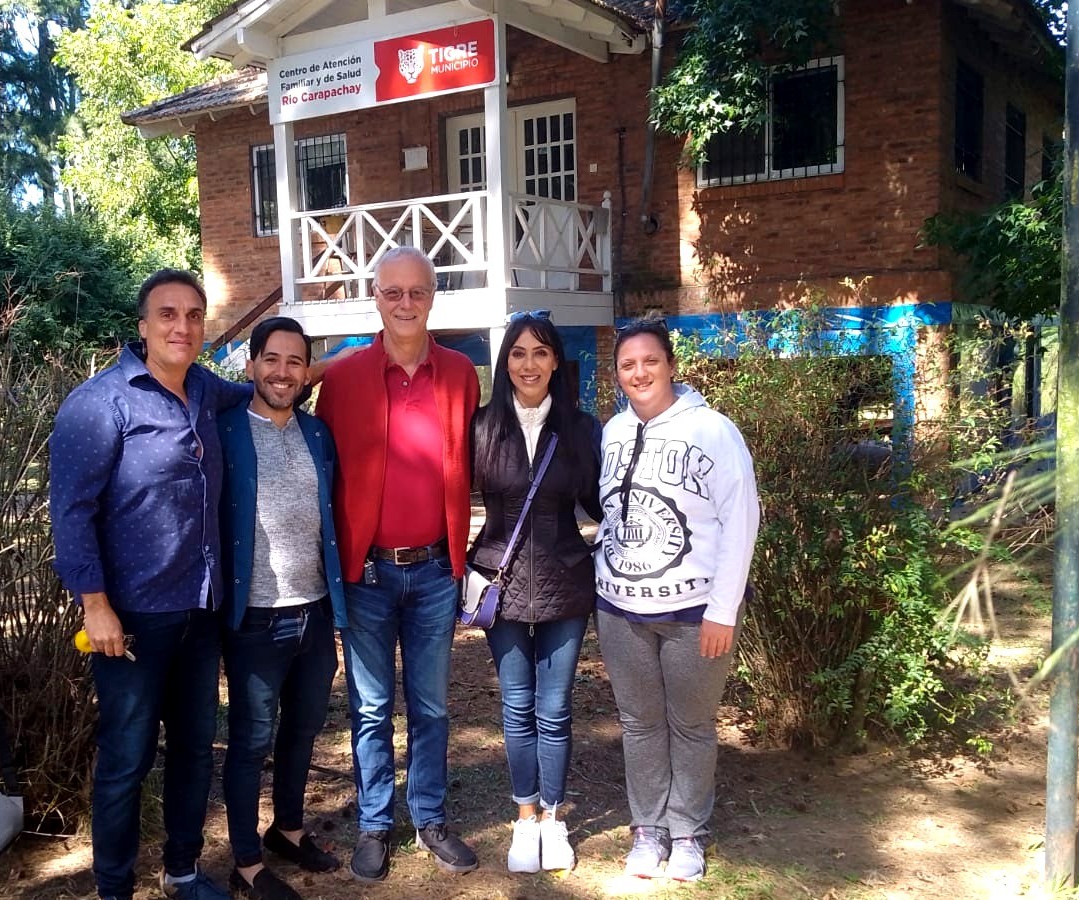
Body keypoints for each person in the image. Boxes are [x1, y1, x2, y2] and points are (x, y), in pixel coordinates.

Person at [49, 269, 248, 900]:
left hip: (199, 611)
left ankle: (182, 871)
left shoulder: (203, 392)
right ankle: (114, 889)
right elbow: (71, 511)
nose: (182, 326)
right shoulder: (100, 403)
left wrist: (318, 370)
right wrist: (94, 606)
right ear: (142, 326)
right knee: (126, 763)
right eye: (167, 314)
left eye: (193, 315)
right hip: (130, 621)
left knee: (193, 751)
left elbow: (259, 391)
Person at [313, 246, 481, 882]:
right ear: (375, 299)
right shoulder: (345, 378)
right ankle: (375, 823)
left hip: (437, 571)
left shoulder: (462, 373)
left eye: (416, 292)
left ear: (432, 297)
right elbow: (323, 469)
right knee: (371, 707)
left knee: (432, 706)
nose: (405, 303)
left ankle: (430, 815)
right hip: (369, 576)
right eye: (392, 292)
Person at [594, 318, 760, 883]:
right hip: (620, 609)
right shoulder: (612, 431)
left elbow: (742, 520)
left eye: (650, 361)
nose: (639, 372)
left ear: (671, 365)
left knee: (691, 725)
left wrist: (723, 609)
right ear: (617, 374)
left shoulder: (712, 430)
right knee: (639, 723)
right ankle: (648, 828)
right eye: (627, 364)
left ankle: (687, 830)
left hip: (694, 614)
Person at [466, 311, 603, 874]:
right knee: (517, 708)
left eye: (540, 353)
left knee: (556, 709)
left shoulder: (581, 428)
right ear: (505, 364)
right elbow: (450, 498)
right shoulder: (480, 427)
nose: (529, 364)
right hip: (501, 582)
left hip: (564, 582)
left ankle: (554, 819)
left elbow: (603, 504)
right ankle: (524, 821)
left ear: (555, 362)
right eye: (518, 353)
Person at [216, 317, 346, 900]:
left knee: (303, 729)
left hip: (315, 610)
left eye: (295, 362)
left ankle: (288, 831)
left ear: (306, 373)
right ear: (250, 367)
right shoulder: (226, 432)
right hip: (256, 617)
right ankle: (245, 860)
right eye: (272, 359)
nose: (282, 372)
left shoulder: (318, 434)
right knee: (249, 741)